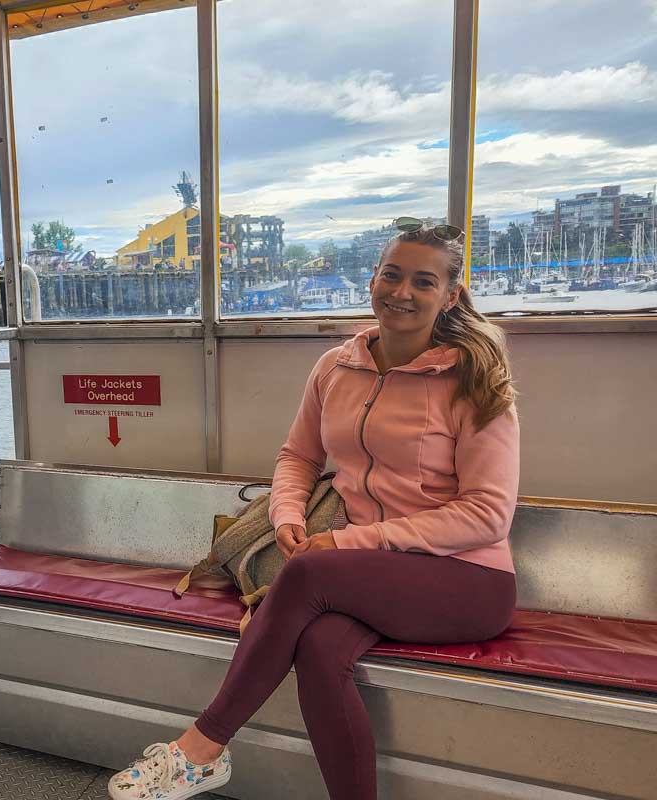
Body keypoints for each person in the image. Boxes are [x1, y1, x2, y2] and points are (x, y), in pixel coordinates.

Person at [109, 219, 520, 800]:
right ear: (374, 278)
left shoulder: (474, 380)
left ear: (450, 295)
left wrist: (348, 544)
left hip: (466, 579)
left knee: (307, 574)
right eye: (391, 274)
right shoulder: (335, 367)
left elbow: (488, 514)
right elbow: (298, 456)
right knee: (320, 650)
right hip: (363, 577)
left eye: (423, 282)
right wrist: (288, 518)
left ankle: (201, 750)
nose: (401, 292)